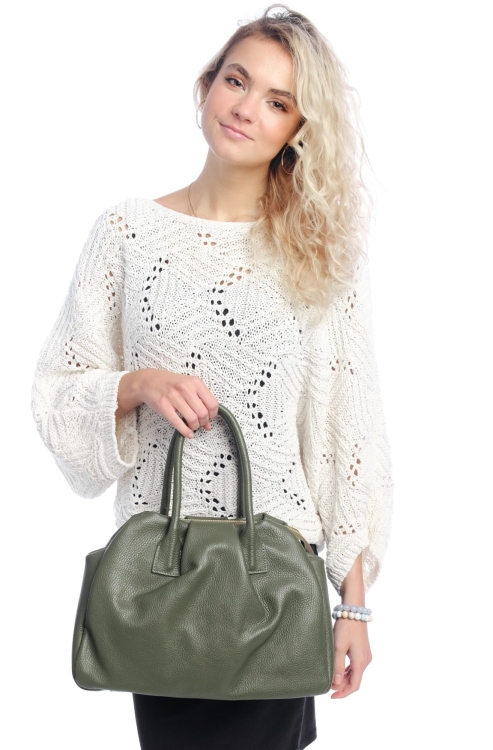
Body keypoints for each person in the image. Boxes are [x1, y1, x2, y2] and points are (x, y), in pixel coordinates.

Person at [31, 5, 394, 749]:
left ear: (298, 130)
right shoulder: (126, 233)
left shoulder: (317, 255)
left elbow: (345, 435)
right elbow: (58, 392)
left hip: (272, 587)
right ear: (207, 85)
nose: (246, 108)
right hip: (162, 586)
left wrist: (352, 606)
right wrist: (137, 385)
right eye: (237, 80)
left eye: (278, 101)